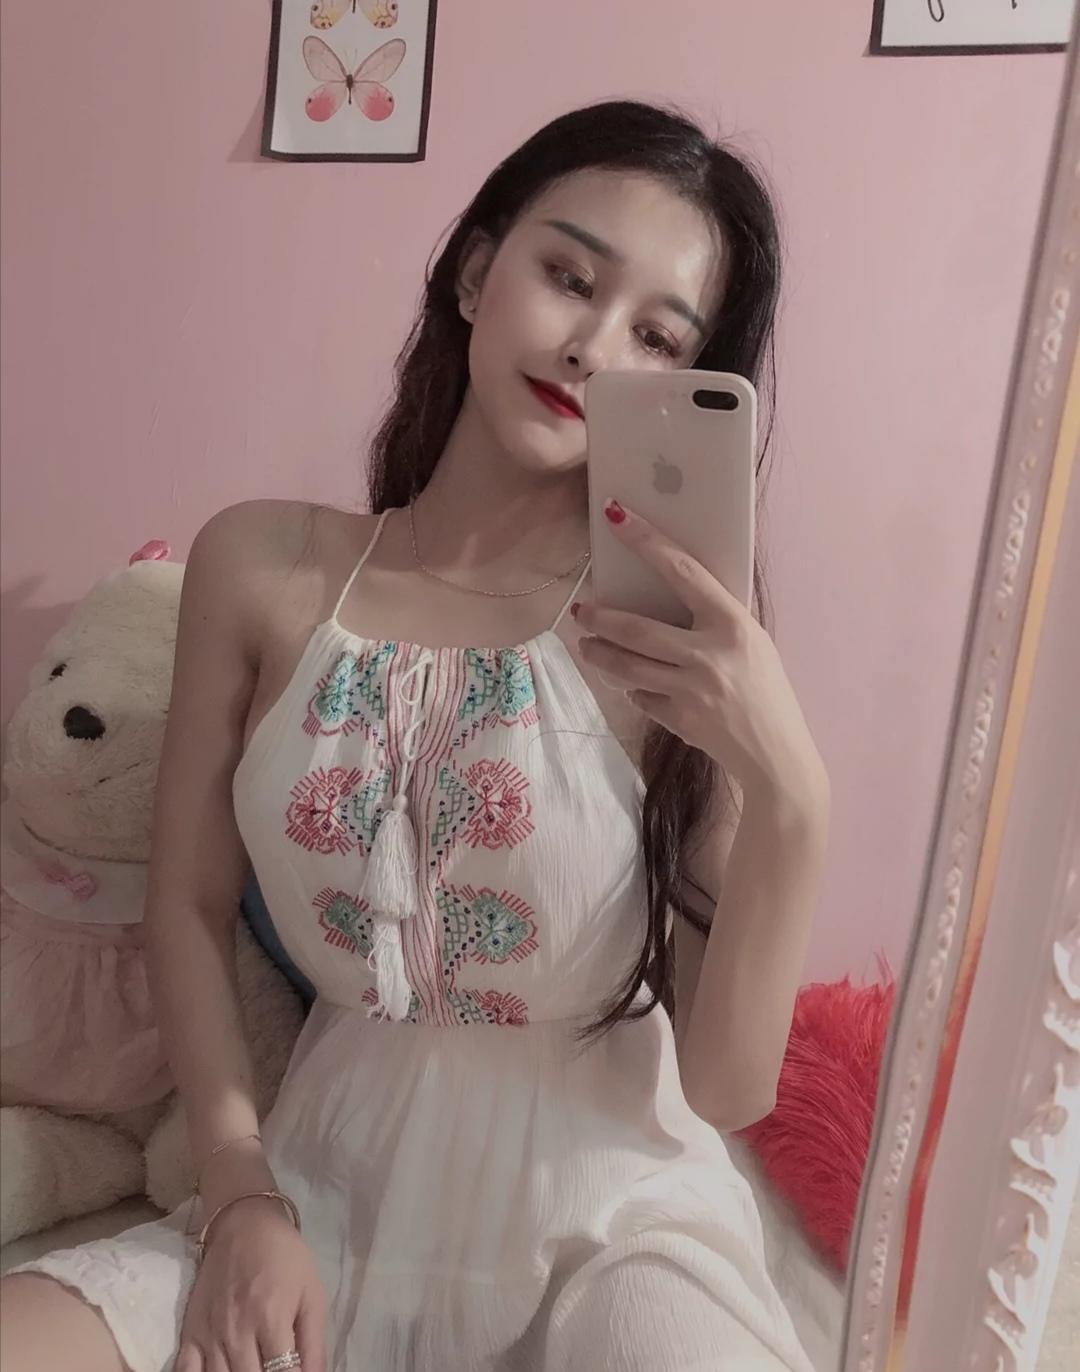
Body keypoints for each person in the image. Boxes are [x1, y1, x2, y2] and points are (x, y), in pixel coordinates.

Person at [0, 100, 830, 1372]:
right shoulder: (261, 563)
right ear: (476, 271)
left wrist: (792, 794)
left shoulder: (669, 637)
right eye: (571, 277)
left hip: (618, 1222)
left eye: (658, 336)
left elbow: (725, 1089)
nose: (595, 346)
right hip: (318, 1186)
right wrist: (239, 1192)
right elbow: (188, 904)